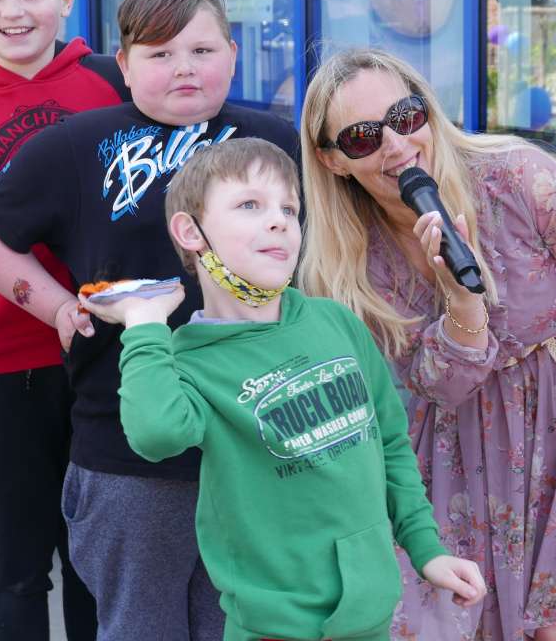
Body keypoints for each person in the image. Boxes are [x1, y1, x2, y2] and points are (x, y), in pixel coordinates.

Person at [298, 48, 556, 640]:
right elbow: (439, 385)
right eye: (363, 137)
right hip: (461, 443)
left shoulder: (517, 176)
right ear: (333, 159)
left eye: (405, 116)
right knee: (451, 616)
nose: (396, 145)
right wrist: (463, 305)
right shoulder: (352, 265)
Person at [0, 0, 299, 640]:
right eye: (160, 53)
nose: (184, 68)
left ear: (233, 54)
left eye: (202, 50)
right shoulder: (76, 144)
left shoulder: (276, 141)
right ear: (124, 64)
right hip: (130, 454)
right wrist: (55, 306)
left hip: (257, 441)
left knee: (247, 626)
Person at [78, 137, 486, 641]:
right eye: (250, 205)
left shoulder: (335, 321)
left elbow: (390, 444)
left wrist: (427, 550)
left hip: (371, 616)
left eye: (289, 209)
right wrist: (143, 322)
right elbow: (156, 435)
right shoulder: (188, 360)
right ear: (190, 231)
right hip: (274, 627)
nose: (278, 221)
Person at [0, 0, 133, 640]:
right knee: (12, 565)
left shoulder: (112, 81)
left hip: (108, 355)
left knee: (98, 560)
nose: (13, 12)